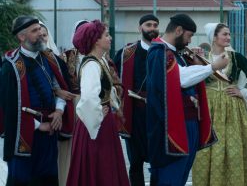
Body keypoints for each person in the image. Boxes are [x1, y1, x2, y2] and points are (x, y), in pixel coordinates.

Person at [146, 14, 229, 186]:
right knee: (170, 178)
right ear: (178, 30)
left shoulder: (174, 53)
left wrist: (195, 61)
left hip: (186, 124)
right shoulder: (159, 52)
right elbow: (180, 78)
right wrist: (212, 67)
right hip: (172, 128)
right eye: (188, 36)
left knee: (180, 178)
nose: (190, 41)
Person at [1, 16, 73, 186]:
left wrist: (59, 111)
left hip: (49, 134)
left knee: (48, 179)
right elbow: (9, 107)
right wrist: (39, 125)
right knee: (23, 180)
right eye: (34, 30)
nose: (41, 33)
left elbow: (59, 89)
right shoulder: (10, 66)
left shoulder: (49, 58)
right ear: (22, 37)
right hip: (24, 135)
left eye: (40, 29)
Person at [192, 23, 247, 186]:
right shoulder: (202, 58)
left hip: (232, 109)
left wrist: (243, 92)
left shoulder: (235, 57)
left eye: (229, 34)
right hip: (209, 108)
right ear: (214, 36)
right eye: (224, 34)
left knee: (234, 150)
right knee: (207, 150)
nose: (228, 37)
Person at [66, 20, 129, 185]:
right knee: (100, 166)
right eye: (106, 35)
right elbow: (88, 97)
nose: (110, 38)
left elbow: (106, 90)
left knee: (104, 166)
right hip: (95, 124)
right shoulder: (92, 65)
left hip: (102, 121)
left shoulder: (99, 61)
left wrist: (112, 103)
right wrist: (99, 114)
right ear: (95, 40)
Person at [114, 14, 160, 186]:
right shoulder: (126, 53)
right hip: (134, 113)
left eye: (155, 25)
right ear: (140, 28)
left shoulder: (165, 51)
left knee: (157, 160)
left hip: (157, 114)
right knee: (135, 162)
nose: (152, 28)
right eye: (148, 25)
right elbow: (115, 79)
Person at [39, 22, 78, 186]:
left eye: (44, 35)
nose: (41, 38)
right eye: (37, 34)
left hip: (60, 117)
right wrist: (56, 91)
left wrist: (59, 111)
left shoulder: (58, 61)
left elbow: (65, 88)